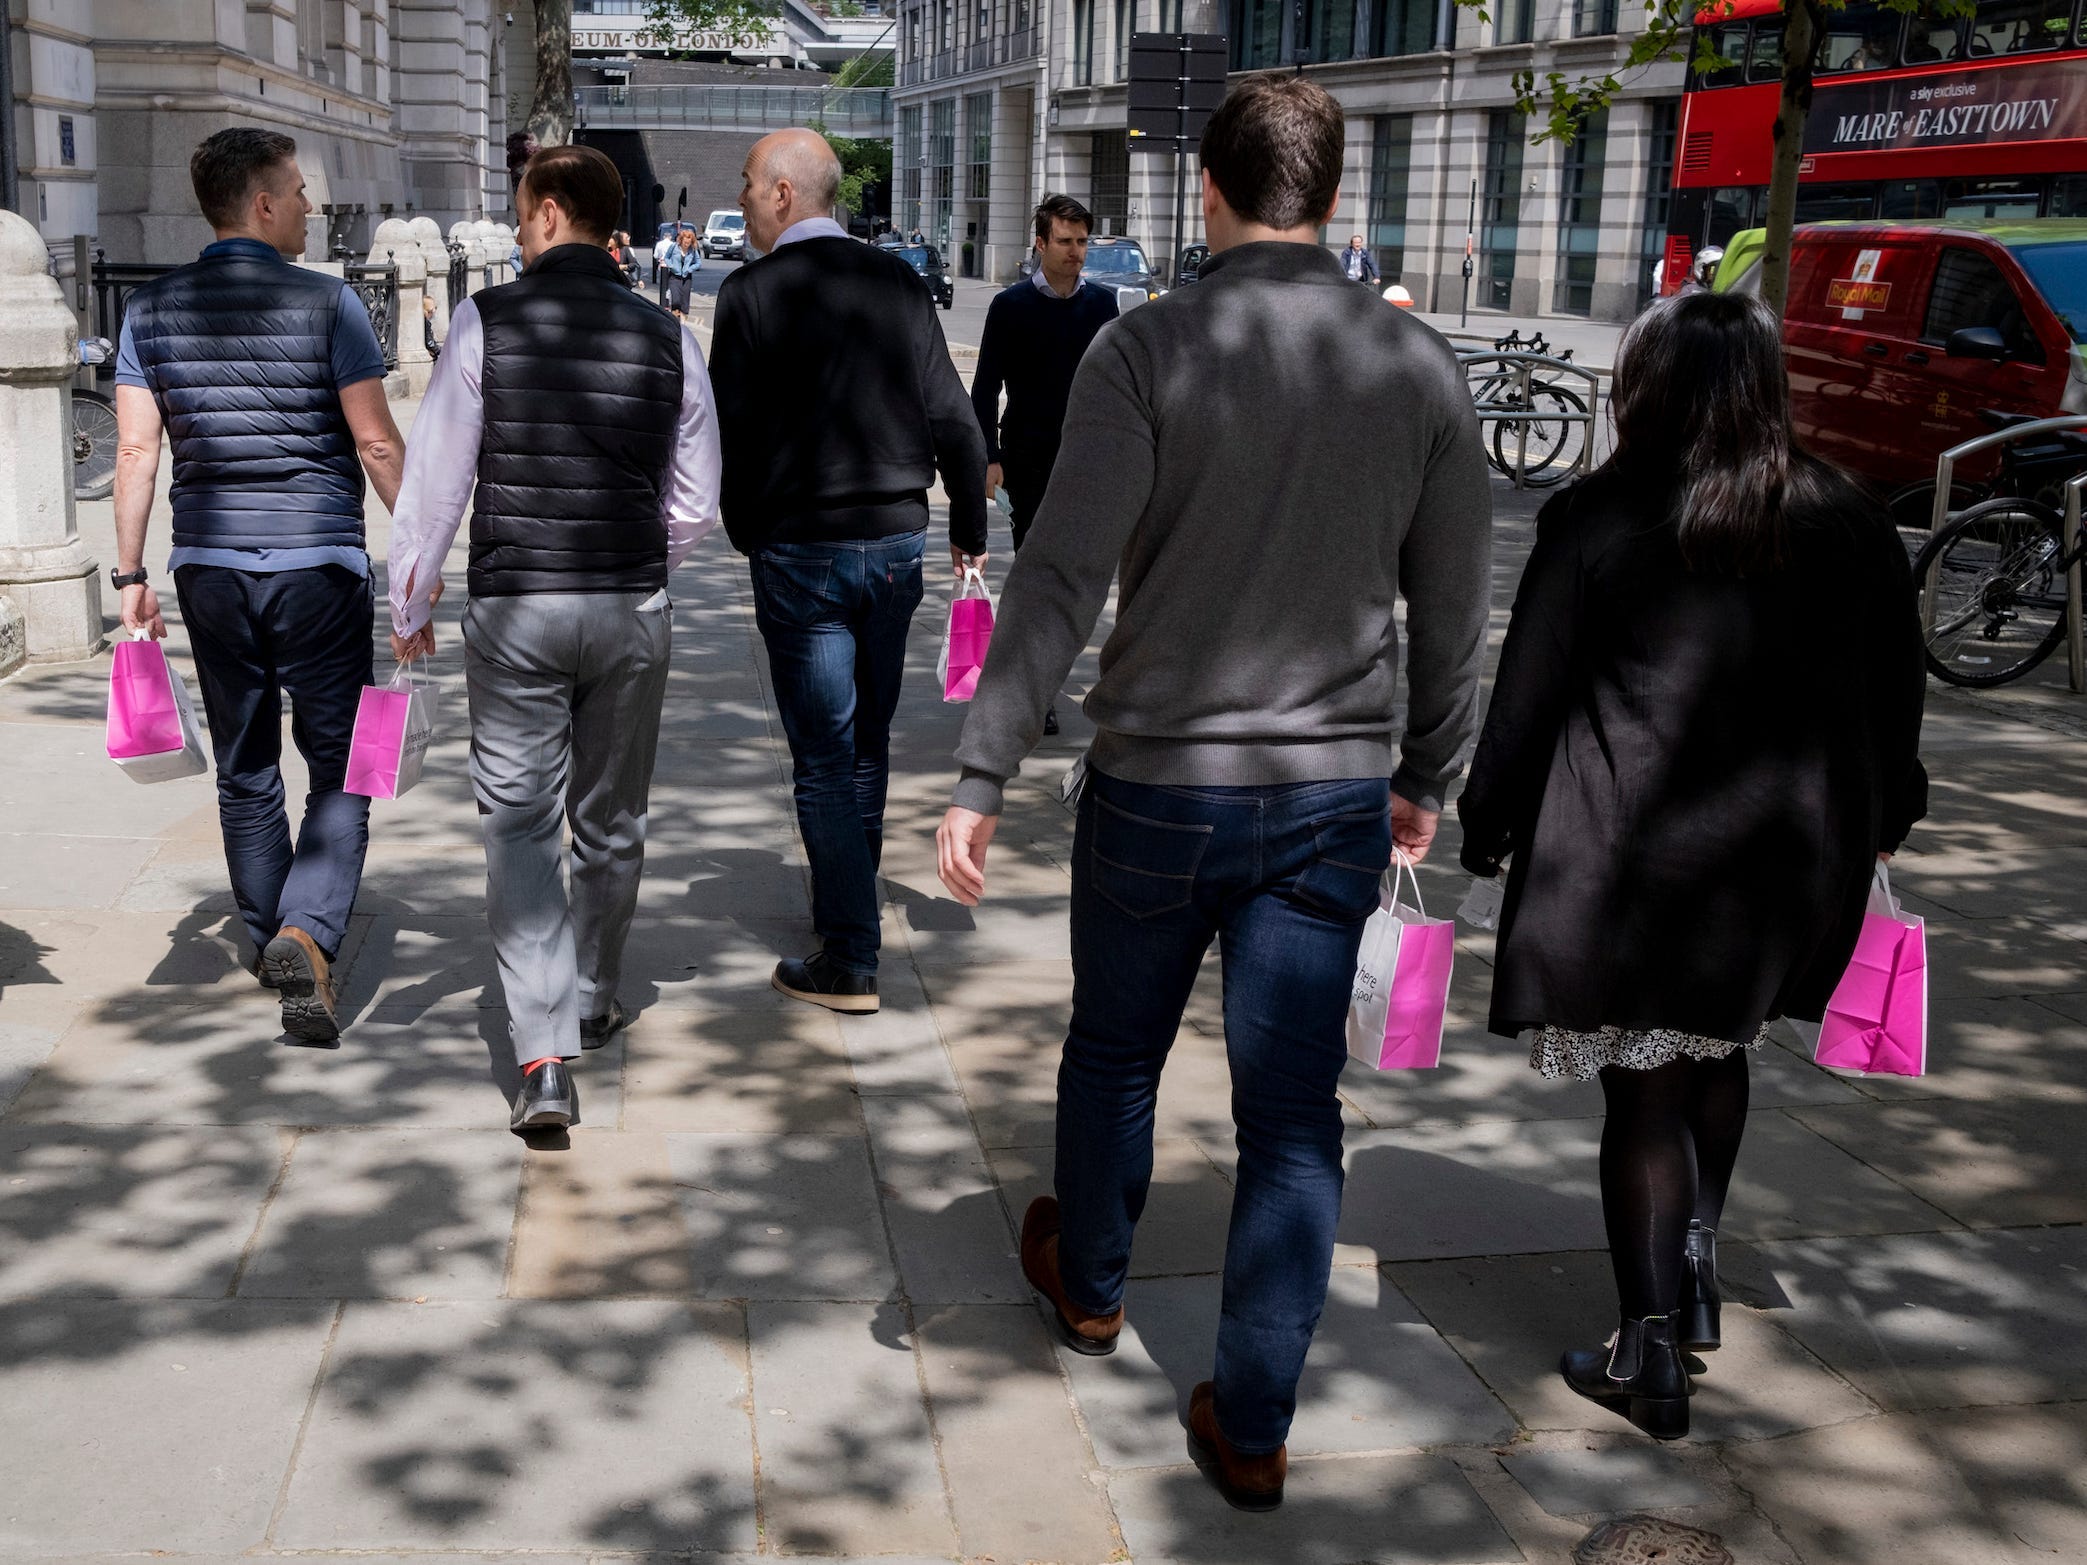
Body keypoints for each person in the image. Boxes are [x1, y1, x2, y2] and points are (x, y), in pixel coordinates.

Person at [934, 77, 1492, 1511]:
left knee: (1114, 1055)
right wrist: (1424, 769)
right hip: (1327, 793)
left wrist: (984, 763)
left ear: (1208, 192)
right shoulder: (1417, 368)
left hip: (1158, 780)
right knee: (1291, 1117)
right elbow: (1452, 613)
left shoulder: (1145, 351)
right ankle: (1251, 1420)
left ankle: (1095, 1287)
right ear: (1334, 197)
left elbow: (1059, 575)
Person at [1456, 291, 1927, 1442]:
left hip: (1635, 854)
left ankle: (1648, 1346)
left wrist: (1485, 820)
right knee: (1717, 1047)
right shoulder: (1845, 515)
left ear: (1644, 388)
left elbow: (1523, 698)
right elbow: (1894, 694)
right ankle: (1696, 1263)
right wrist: (1887, 818)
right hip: (1784, 857)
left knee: (1644, 1090)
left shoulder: (1596, 515)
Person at [387, 143, 722, 1132]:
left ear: (540, 215)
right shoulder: (672, 337)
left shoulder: (485, 320)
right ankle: (595, 991)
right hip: (628, 606)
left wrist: (409, 604)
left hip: (517, 606)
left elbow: (437, 480)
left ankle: (541, 1054)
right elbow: (697, 503)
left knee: (520, 825)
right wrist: (638, 557)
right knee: (611, 820)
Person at [110, 127, 405, 1046]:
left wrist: (129, 574)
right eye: (299, 192)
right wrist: (428, 552)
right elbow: (377, 442)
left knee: (245, 768)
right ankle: (307, 933)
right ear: (263, 205)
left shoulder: (150, 310)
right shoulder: (329, 304)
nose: (312, 208)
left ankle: (268, 933)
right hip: (318, 568)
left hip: (210, 571)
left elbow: (132, 449)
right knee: (347, 762)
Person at [712, 128, 987, 1017]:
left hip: (802, 546)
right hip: (894, 540)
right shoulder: (898, 283)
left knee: (825, 757)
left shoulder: (749, 292)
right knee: (864, 743)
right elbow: (953, 416)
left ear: (786, 193)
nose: (747, 199)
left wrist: (749, 532)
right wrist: (970, 532)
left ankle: (847, 951)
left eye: (752, 185)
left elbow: (733, 436)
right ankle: (848, 908)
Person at [969, 194, 1119, 737]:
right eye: (1065, 241)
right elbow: (984, 388)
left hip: (1088, 463)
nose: (1076, 252)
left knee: (1077, 585)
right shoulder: (1009, 307)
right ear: (1040, 243)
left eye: (1082, 242)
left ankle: (1043, 674)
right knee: (1037, 580)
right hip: (1028, 464)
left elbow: (1118, 390)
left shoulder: (1102, 306)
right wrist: (988, 457)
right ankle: (1036, 688)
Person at [663, 226, 703, 318]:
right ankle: (675, 321)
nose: (686, 245)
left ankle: (683, 325)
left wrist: (690, 269)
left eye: (688, 243)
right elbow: (666, 257)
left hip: (686, 278)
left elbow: (698, 263)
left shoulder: (692, 249)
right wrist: (671, 265)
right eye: (685, 242)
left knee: (685, 302)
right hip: (674, 276)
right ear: (681, 240)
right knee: (676, 300)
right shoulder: (674, 247)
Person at [653, 224, 677, 303]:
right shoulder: (673, 244)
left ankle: (663, 298)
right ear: (670, 237)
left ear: (663, 237)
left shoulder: (659, 244)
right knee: (670, 282)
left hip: (662, 264)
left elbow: (655, 255)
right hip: (671, 264)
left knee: (663, 282)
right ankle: (668, 297)